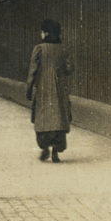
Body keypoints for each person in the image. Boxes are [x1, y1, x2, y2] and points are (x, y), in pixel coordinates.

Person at [26, 18, 73, 163]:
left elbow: (33, 71)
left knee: (43, 117)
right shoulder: (63, 49)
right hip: (59, 89)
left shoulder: (39, 49)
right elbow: (69, 69)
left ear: (45, 33)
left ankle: (44, 147)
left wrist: (29, 88)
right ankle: (55, 152)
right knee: (58, 117)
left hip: (43, 88)